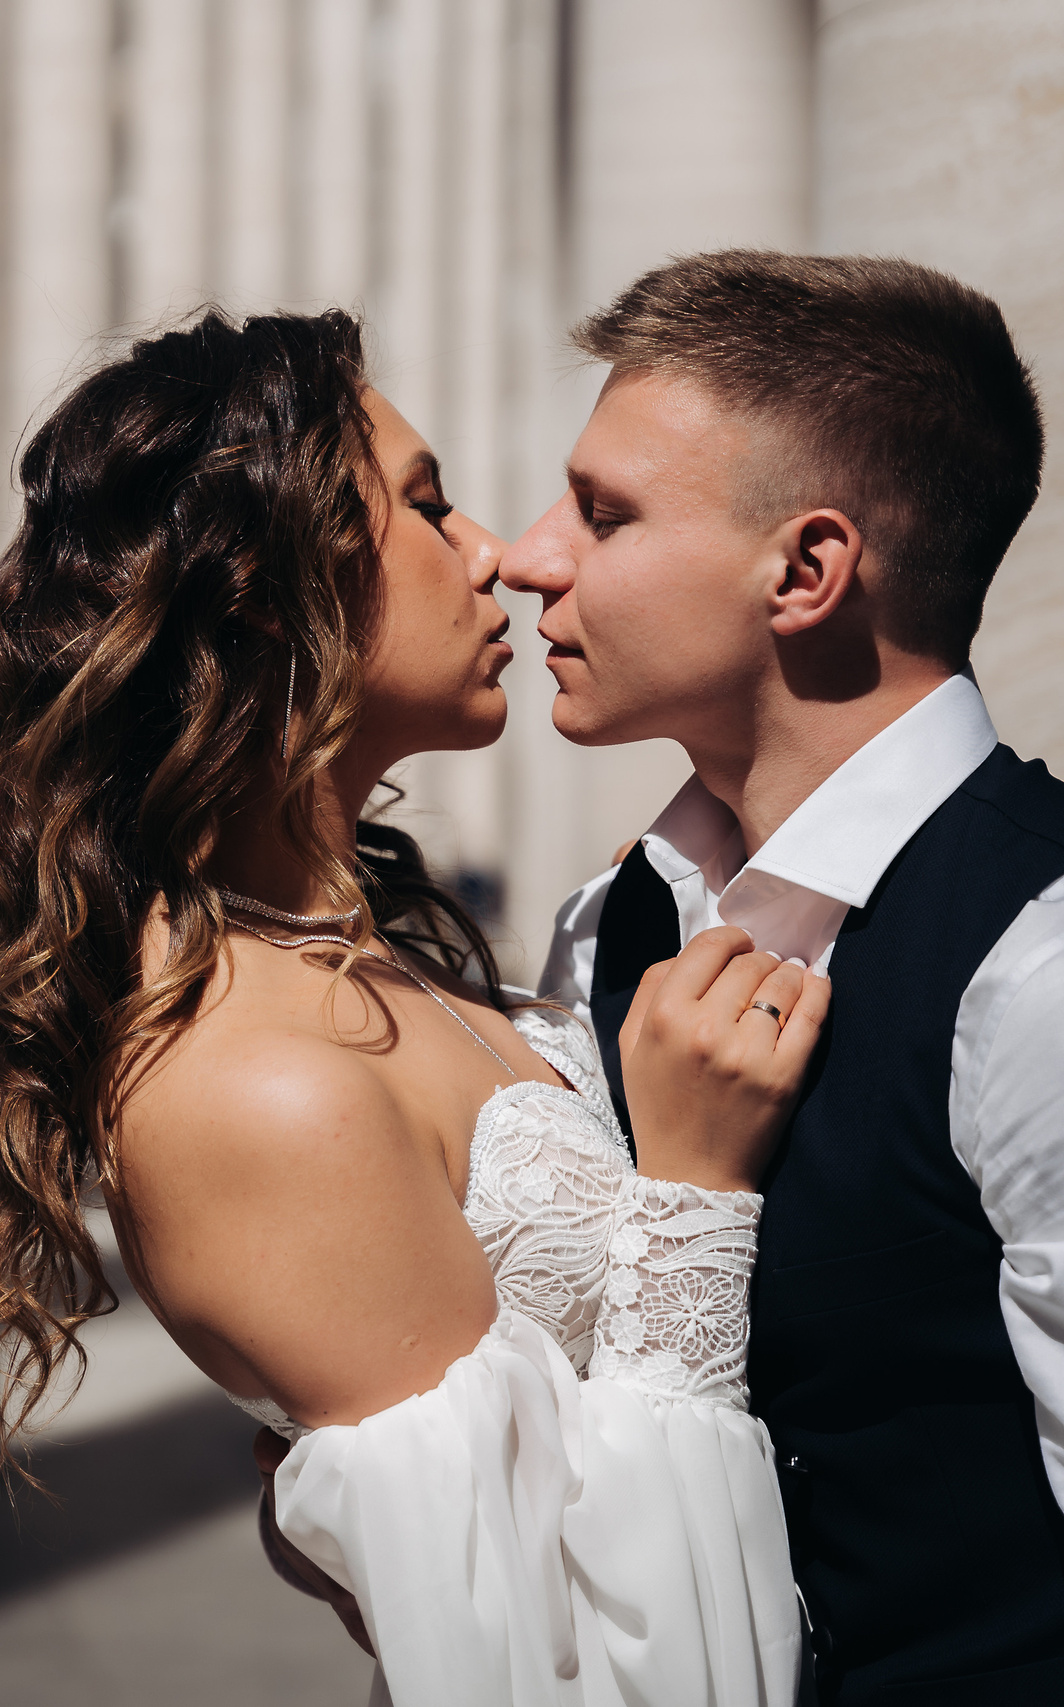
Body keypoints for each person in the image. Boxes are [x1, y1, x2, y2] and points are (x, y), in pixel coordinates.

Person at [0, 305, 809, 1704]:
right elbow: (534, 1670)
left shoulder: (368, 959)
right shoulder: (253, 1085)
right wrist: (691, 1190)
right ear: (268, 588)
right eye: (427, 506)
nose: (497, 556)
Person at [505, 251, 1064, 1703]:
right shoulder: (603, 927)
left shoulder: (1042, 959)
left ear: (807, 572)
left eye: (604, 512)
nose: (527, 556)